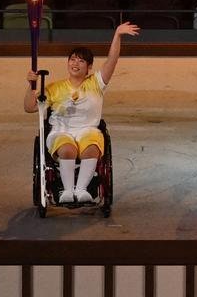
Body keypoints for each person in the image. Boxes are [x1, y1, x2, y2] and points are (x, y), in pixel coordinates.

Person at [23, 22, 140, 203]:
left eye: (81, 61)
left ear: (89, 67)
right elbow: (29, 107)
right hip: (61, 131)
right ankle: (68, 192)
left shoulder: (96, 83)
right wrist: (30, 85)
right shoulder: (54, 88)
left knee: (91, 148)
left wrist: (117, 35)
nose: (75, 63)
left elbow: (112, 60)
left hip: (88, 130)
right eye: (73, 59)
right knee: (68, 149)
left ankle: (82, 190)